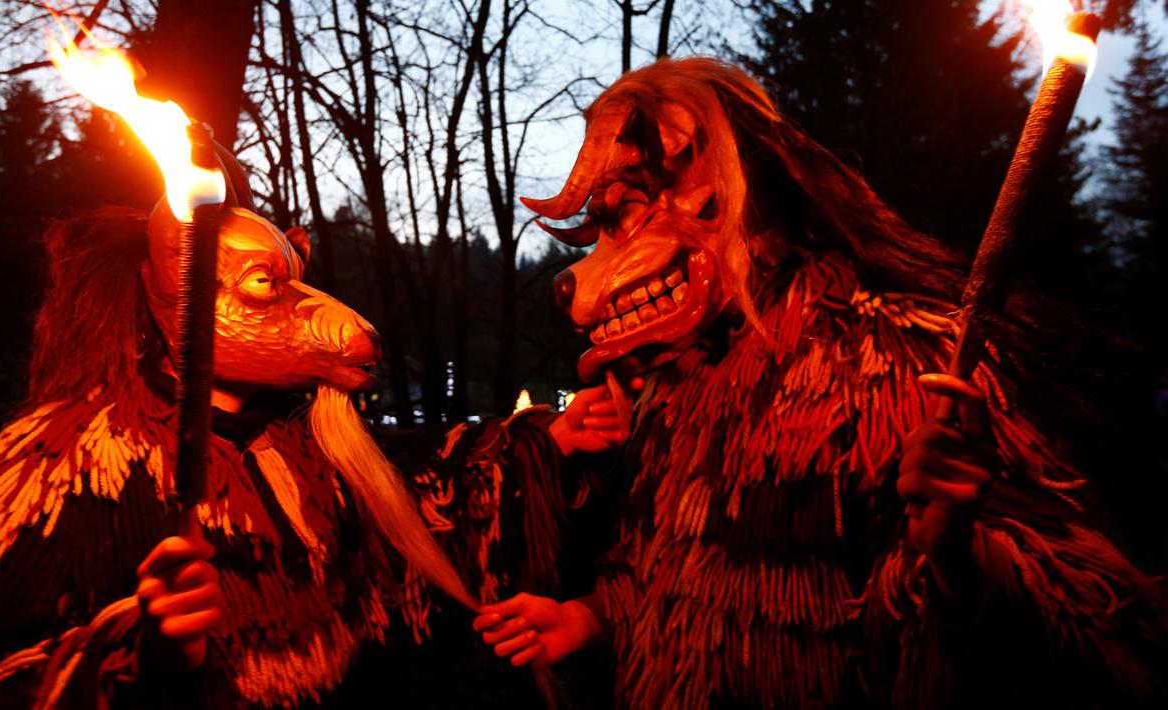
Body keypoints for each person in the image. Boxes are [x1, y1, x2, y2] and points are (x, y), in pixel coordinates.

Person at [474, 58, 1166, 708]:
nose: (582, 283)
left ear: (734, 187)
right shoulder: (682, 383)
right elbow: (667, 571)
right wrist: (589, 617)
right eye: (601, 228)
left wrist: (964, 557)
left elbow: (1093, 621)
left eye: (629, 212)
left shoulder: (896, 359)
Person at [0, 152, 630, 708]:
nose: (341, 320)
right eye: (266, 284)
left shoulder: (302, 449)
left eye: (295, 277)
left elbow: (412, 487)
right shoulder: (62, 471)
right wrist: (134, 657)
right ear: (168, 296)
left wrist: (547, 439)